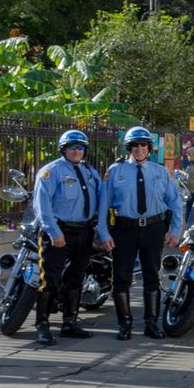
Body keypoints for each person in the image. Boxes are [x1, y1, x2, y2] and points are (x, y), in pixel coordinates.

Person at [98, 127, 182, 341]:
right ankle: (124, 324)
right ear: (128, 147)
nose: (139, 149)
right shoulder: (115, 171)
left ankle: (151, 323)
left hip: (153, 228)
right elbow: (103, 206)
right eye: (134, 145)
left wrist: (175, 229)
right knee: (121, 277)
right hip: (124, 229)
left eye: (143, 145)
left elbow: (175, 202)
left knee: (152, 276)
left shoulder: (160, 171)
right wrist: (104, 233)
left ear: (149, 148)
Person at [30, 130, 103, 345]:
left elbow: (101, 199)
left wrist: (100, 230)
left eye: (80, 147)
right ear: (63, 149)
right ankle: (42, 325)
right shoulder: (51, 172)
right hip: (59, 233)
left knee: (75, 277)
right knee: (49, 279)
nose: (76, 151)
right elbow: (42, 206)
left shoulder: (90, 172)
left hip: (84, 232)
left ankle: (69, 322)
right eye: (72, 147)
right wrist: (54, 233)